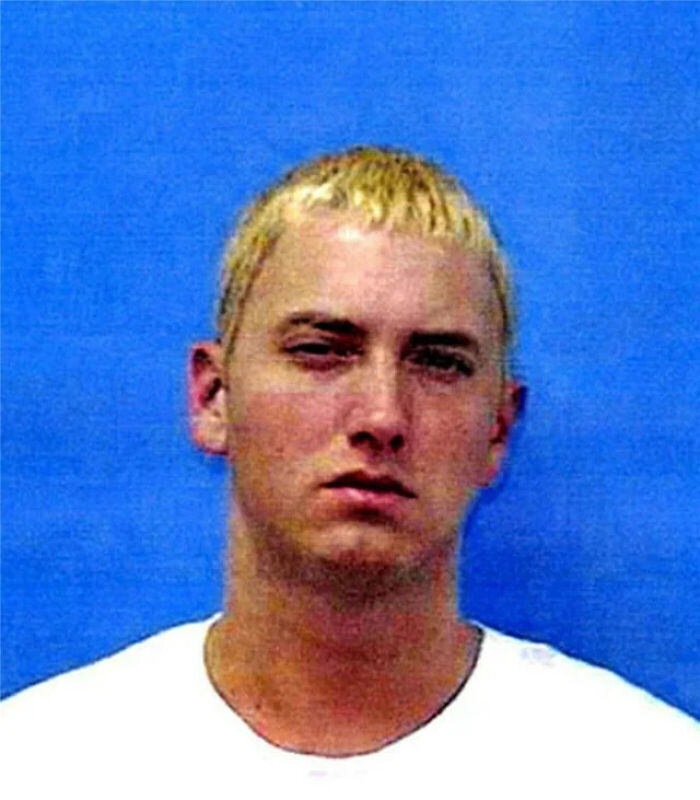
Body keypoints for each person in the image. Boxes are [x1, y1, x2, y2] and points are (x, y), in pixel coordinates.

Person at [2, 146, 697, 798]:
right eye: (321, 351)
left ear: (497, 429)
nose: (382, 415)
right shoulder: (41, 765)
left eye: (439, 362)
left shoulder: (647, 772)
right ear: (214, 397)